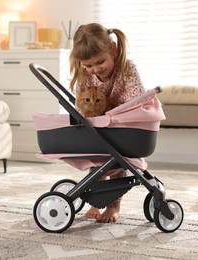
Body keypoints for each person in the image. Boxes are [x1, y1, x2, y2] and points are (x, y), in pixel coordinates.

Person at [69, 23, 145, 223]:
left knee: (118, 163)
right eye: (89, 65)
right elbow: (81, 106)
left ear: (113, 49)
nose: (95, 69)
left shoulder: (128, 70)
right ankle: (97, 200)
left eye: (100, 62)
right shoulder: (85, 75)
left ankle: (113, 205)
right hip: (98, 128)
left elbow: (137, 103)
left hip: (123, 128)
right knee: (98, 162)